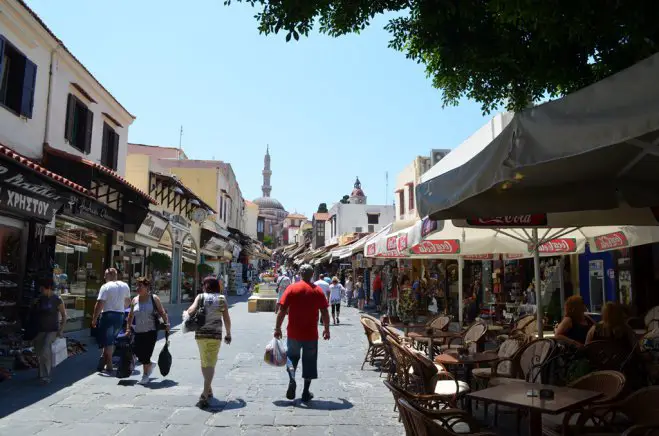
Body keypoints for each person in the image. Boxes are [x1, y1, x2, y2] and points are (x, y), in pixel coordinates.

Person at [274, 263, 330, 403]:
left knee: (292, 358)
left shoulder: (292, 289)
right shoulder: (317, 291)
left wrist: (277, 328)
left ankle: (292, 380)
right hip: (310, 334)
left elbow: (282, 311)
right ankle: (306, 392)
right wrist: (326, 329)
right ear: (312, 275)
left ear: (299, 273)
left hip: (293, 332)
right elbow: (324, 312)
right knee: (309, 362)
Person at [186, 277, 232, 408]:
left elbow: (190, 311)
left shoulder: (200, 297)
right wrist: (228, 334)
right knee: (211, 363)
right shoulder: (222, 299)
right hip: (215, 335)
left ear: (206, 286)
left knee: (204, 361)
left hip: (200, 334)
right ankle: (205, 393)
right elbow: (226, 319)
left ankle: (209, 388)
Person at [126, 277, 169, 385]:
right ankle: (150, 364)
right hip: (138, 331)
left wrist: (167, 323)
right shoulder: (134, 300)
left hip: (151, 331)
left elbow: (162, 312)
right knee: (137, 351)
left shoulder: (154, 298)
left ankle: (145, 375)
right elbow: (130, 315)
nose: (137, 288)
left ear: (147, 287)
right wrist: (128, 328)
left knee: (146, 353)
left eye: (140, 286)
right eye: (137, 285)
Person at [92, 268, 131, 373]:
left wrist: (94, 318)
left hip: (108, 315)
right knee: (111, 340)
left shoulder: (106, 287)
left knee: (108, 341)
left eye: (105, 275)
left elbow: (99, 304)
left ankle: (109, 364)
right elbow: (128, 302)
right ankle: (104, 360)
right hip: (120, 315)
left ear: (110, 275)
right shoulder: (125, 286)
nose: (104, 277)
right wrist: (120, 307)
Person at [32, 278, 67, 384]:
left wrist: (61, 330)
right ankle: (41, 372)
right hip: (40, 329)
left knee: (45, 350)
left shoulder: (57, 299)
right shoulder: (40, 299)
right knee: (39, 352)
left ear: (48, 288)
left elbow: (64, 316)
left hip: (52, 330)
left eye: (42, 288)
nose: (41, 290)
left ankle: (46, 376)